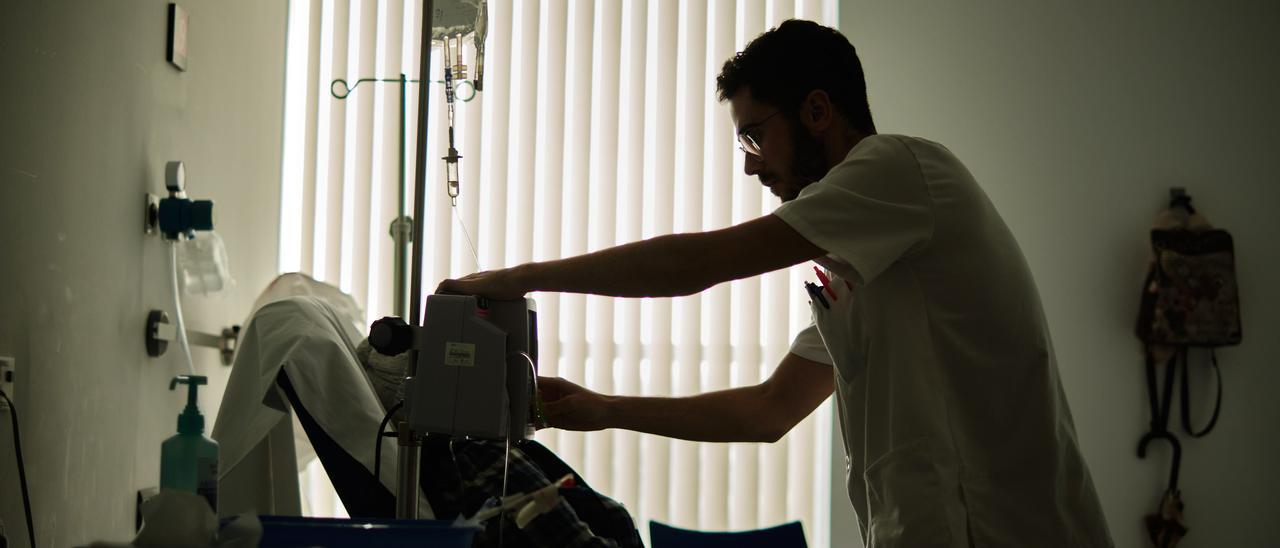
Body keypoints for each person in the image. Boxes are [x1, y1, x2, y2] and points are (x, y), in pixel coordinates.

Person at [439, 19, 1112, 547]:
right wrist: (602, 407)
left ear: (817, 111)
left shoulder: (901, 169)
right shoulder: (858, 267)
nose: (751, 167)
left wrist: (513, 277)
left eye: (755, 137)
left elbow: (694, 265)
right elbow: (767, 413)